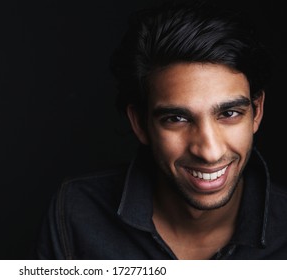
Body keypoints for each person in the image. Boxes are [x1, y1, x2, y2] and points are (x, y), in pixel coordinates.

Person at [34, 0, 287, 259]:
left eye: (229, 114)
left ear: (257, 112)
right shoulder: (77, 214)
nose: (209, 152)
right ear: (140, 124)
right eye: (177, 118)